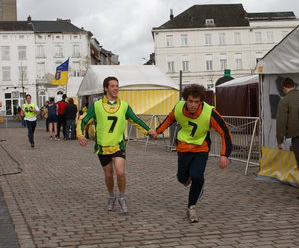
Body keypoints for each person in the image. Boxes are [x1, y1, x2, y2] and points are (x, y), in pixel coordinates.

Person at [149, 84, 232, 223]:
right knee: (182, 179)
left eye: (196, 102)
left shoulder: (210, 112)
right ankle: (189, 181)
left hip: (201, 148)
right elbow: (170, 119)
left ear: (201, 101)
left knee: (197, 176)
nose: (193, 105)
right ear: (185, 100)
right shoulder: (179, 108)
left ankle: (191, 206)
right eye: (190, 101)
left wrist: (224, 154)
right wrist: (158, 131)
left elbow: (225, 132)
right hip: (183, 148)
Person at [77, 76, 152, 214]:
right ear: (106, 88)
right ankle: (111, 195)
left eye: (117, 85)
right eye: (112, 86)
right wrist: (80, 134)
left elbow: (135, 120)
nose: (116, 88)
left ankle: (122, 197)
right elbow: (83, 120)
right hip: (102, 147)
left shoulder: (123, 105)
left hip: (118, 145)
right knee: (109, 175)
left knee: (121, 173)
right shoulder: (97, 106)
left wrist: (148, 131)